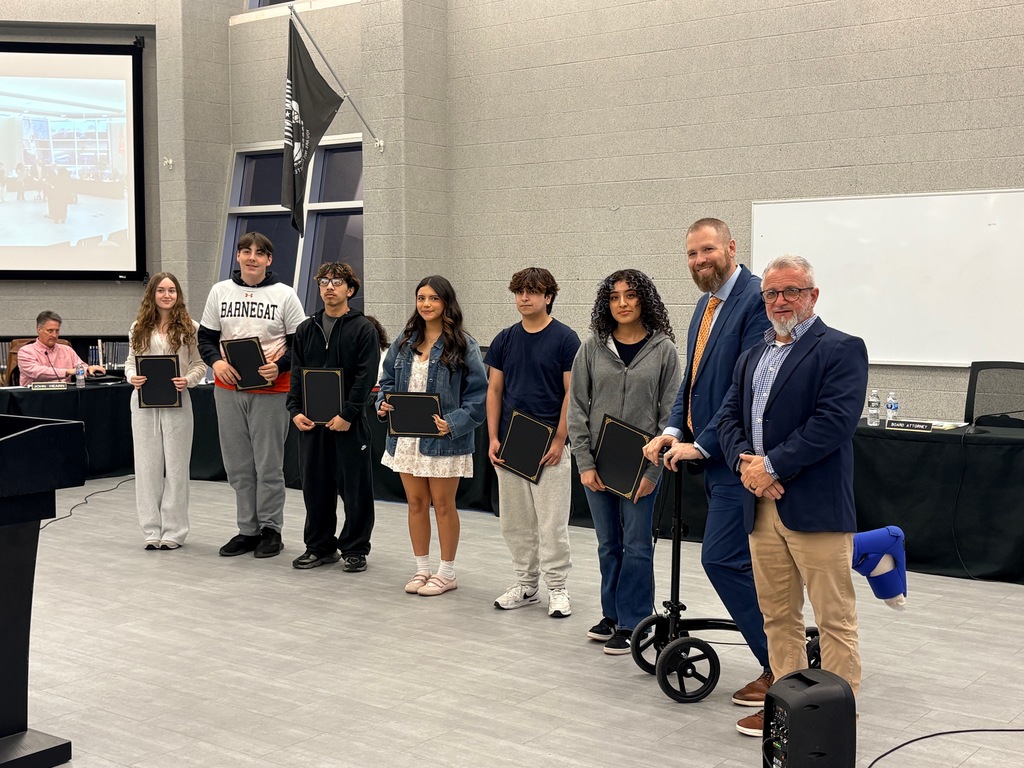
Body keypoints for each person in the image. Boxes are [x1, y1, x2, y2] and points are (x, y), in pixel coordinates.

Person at [716, 254, 868, 736]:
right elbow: (727, 420)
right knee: (778, 615)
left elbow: (833, 423)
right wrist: (747, 464)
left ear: (813, 296)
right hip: (760, 507)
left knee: (833, 618)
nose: (780, 301)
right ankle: (786, 706)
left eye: (791, 292)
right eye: (772, 293)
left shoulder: (841, 348)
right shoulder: (751, 356)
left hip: (815, 507)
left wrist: (772, 466)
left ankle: (833, 718)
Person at [641, 218, 774, 708]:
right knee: (737, 561)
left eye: (708, 250)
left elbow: (744, 390)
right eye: (692, 254)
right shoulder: (705, 305)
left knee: (721, 558)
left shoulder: (757, 299)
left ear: (732, 247)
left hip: (738, 458)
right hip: (708, 459)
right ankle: (781, 650)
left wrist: (706, 444)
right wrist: (673, 430)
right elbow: (693, 383)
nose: (700, 261)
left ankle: (780, 665)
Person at [568, 269, 681, 654]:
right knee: (607, 543)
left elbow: (671, 414)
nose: (622, 303)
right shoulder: (592, 347)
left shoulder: (663, 349)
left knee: (636, 544)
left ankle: (634, 622)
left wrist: (653, 471)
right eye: (614, 297)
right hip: (597, 462)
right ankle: (611, 614)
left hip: (641, 465)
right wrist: (583, 461)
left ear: (643, 300)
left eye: (630, 295)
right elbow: (577, 408)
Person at [376, 276, 487, 596]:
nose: (426, 304)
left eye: (434, 299)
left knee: (442, 504)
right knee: (415, 503)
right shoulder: (404, 340)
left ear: (446, 303)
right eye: (421, 298)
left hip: (443, 439)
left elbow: (478, 397)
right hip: (406, 438)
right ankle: (422, 570)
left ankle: (446, 573)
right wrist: (383, 403)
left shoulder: (464, 345)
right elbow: (386, 382)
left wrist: (452, 423)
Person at [198, 232, 306, 559]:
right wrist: (216, 363)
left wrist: (281, 366)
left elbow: (300, 344)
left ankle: (271, 529)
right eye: (246, 251)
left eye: (260, 253)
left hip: (272, 390)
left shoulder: (285, 295)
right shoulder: (220, 292)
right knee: (238, 465)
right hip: (228, 389)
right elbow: (205, 339)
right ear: (238, 257)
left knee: (268, 465)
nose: (252, 258)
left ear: (269, 260)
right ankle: (247, 530)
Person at [486, 268, 581, 618]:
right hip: (512, 442)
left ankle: (557, 587)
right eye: (519, 292)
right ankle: (526, 585)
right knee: (515, 521)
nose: (524, 298)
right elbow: (494, 390)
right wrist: (493, 438)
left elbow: (572, 393)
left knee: (552, 522)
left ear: (548, 296)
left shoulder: (565, 339)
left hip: (549, 444)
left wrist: (560, 439)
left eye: (532, 292)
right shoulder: (505, 339)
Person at [287, 262, 380, 573]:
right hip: (311, 425)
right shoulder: (305, 328)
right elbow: (297, 373)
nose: (329, 287)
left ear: (350, 289)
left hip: (349, 425)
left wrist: (348, 413)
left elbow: (365, 378)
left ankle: (354, 548)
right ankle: (320, 547)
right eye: (324, 281)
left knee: (355, 490)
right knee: (315, 487)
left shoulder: (363, 329)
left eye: (337, 282)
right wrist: (295, 409)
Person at [125, 273, 207, 550]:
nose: (167, 295)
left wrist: (189, 380)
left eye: (172, 290)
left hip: (178, 404)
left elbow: (199, 364)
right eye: (161, 290)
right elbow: (130, 362)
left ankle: (174, 530)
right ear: (152, 294)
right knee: (147, 468)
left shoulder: (190, 327)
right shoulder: (138, 327)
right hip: (144, 405)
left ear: (178, 295)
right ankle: (151, 529)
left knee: (176, 468)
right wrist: (132, 377)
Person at [18, 310, 105, 385]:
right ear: (39, 329)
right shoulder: (25, 351)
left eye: (57, 331)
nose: (54, 335)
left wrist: (88, 369)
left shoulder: (67, 350)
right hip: (35, 397)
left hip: (64, 396)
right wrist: (67, 372)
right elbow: (37, 372)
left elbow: (80, 366)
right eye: (50, 331)